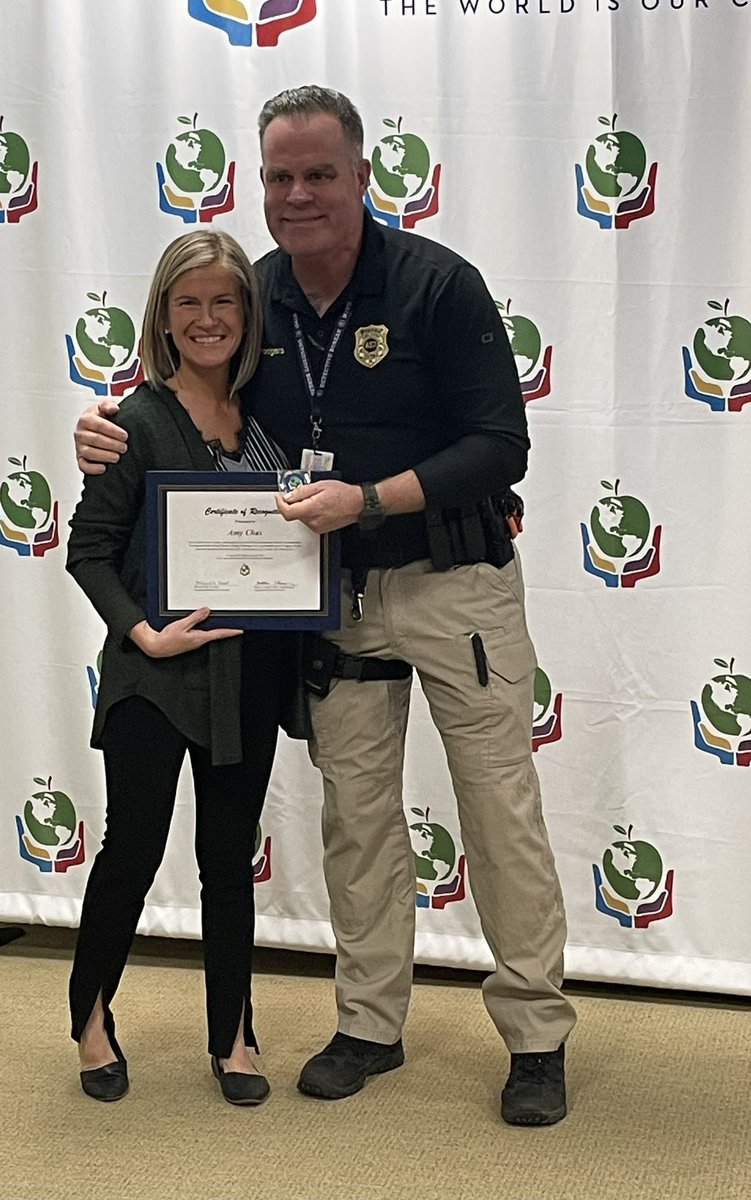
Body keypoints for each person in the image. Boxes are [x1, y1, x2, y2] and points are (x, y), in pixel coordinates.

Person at [74, 86, 576, 1126]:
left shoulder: (437, 285)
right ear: (261, 186)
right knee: (356, 818)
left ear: (362, 175)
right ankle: (368, 1024)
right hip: (331, 598)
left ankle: (534, 1036)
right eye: (278, 177)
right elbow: (193, 389)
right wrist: (106, 431)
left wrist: (374, 497)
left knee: (497, 810)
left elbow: (501, 446)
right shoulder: (256, 294)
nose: (297, 194)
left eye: (318, 173)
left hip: (452, 581)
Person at [67, 228, 296, 1106]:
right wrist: (142, 634)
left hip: (247, 679)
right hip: (152, 680)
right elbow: (87, 551)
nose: (208, 319)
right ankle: (90, 1018)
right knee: (131, 848)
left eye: (225, 302)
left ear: (247, 313)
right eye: (189, 302)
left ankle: (233, 1038)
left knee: (226, 860)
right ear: (163, 316)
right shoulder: (132, 422)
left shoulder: (264, 417)